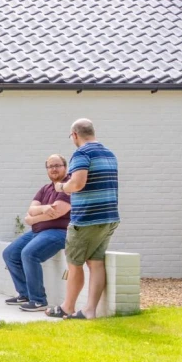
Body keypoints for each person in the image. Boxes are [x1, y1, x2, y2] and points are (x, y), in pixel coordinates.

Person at [47, 118, 120, 320]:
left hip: (86, 219)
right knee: (95, 262)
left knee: (74, 263)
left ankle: (67, 307)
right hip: (109, 217)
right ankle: (89, 310)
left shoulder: (82, 153)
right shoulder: (109, 153)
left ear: (75, 135)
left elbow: (78, 184)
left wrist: (62, 186)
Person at [3, 154, 71, 312]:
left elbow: (58, 212)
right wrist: (44, 209)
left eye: (57, 165)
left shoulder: (67, 186)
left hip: (59, 232)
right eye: (50, 166)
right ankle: (25, 294)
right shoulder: (45, 188)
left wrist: (33, 219)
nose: (53, 169)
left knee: (29, 254)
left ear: (65, 167)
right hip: (38, 232)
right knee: (10, 254)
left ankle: (39, 300)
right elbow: (31, 209)